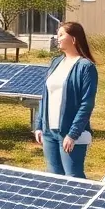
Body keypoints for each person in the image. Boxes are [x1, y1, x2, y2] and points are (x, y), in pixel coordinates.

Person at [33, 21, 98, 179]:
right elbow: (45, 96)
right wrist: (39, 125)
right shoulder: (56, 63)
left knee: (73, 178)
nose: (57, 38)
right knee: (54, 179)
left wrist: (73, 134)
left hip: (70, 133)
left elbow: (86, 104)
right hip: (49, 132)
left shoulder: (85, 67)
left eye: (61, 35)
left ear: (74, 39)